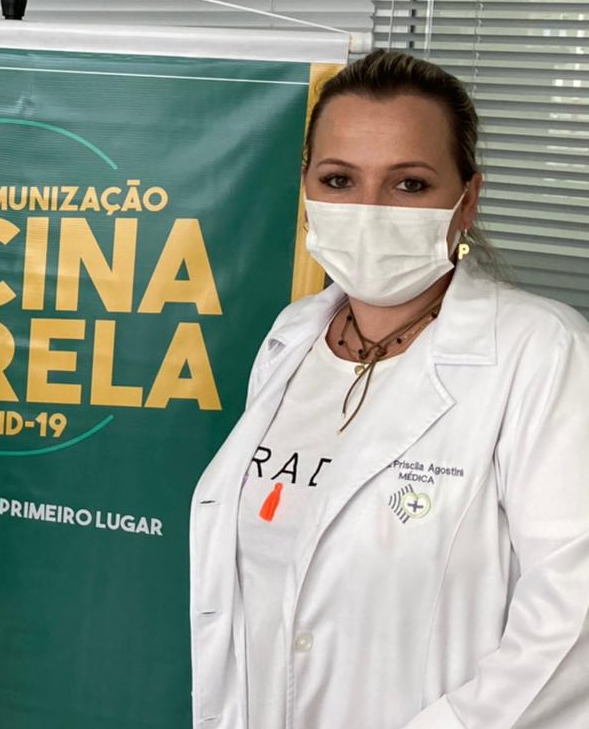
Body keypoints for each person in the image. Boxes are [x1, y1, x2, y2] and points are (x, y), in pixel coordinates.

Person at [189, 50, 589, 729]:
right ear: (307, 192)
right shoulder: (291, 338)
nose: (369, 209)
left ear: (467, 201)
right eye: (339, 180)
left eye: (409, 184)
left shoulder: (544, 353)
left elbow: (572, 624)